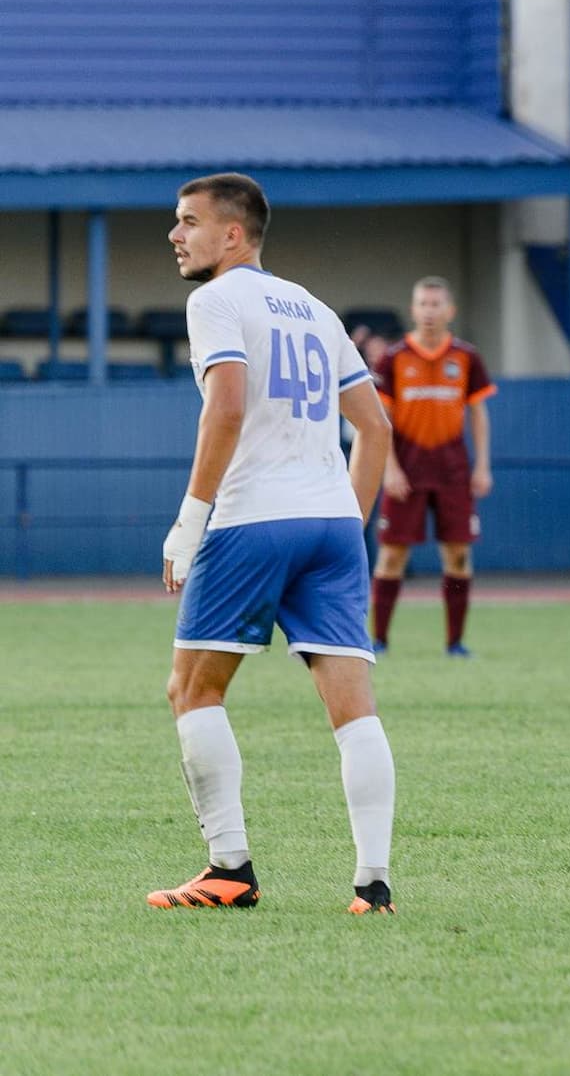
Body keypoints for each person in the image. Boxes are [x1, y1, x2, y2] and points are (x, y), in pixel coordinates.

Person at [148, 172, 397, 914]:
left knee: (192, 690)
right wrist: (346, 527)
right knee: (355, 711)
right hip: (329, 523)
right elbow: (376, 430)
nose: (175, 234)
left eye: (188, 221)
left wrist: (189, 520)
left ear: (233, 234)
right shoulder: (315, 306)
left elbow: (225, 408)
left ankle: (229, 870)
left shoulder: (215, 300)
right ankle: (373, 885)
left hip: (254, 517)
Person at [370, 277, 496, 658]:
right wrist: (389, 468)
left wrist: (483, 466)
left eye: (436, 304)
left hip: (452, 469)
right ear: (413, 309)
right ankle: (379, 640)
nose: (429, 311)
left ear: (449, 311)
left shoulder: (466, 357)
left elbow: (478, 412)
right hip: (407, 468)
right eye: (423, 303)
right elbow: (380, 418)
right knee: (392, 555)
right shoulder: (393, 358)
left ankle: (455, 642)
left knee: (457, 554)